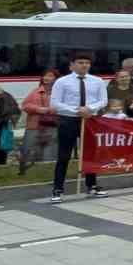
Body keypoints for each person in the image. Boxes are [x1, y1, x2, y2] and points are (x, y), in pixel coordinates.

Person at [50, 52, 108, 202]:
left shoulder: (97, 81)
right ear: (72, 65)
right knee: (64, 155)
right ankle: (58, 189)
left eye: (87, 63)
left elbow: (103, 101)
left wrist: (90, 108)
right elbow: (55, 103)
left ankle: (92, 186)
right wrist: (77, 110)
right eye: (80, 62)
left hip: (89, 120)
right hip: (68, 120)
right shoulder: (62, 82)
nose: (84, 65)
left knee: (90, 154)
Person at [18, 71, 58, 175]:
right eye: (45, 75)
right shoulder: (35, 91)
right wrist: (39, 109)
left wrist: (53, 110)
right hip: (34, 126)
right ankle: (27, 172)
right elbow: (25, 106)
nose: (46, 78)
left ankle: (47, 172)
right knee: (30, 151)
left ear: (56, 78)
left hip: (52, 126)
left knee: (49, 151)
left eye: (50, 76)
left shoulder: (59, 92)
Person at [0, 88, 19, 167]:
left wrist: (12, 120)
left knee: (1, 144)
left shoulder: (6, 96)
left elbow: (15, 109)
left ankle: (1, 163)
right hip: (0, 122)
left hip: (2, 123)